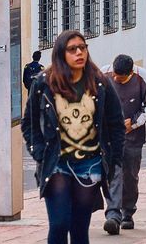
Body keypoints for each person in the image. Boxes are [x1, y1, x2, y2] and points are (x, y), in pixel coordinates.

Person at [21, 30, 125, 244]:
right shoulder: (44, 83)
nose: (79, 53)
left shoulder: (100, 83)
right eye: (72, 49)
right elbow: (29, 124)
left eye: (82, 47)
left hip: (90, 164)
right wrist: (39, 153)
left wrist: (113, 160)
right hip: (56, 163)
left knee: (79, 228)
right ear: (61, 53)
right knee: (59, 224)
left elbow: (116, 124)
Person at [100, 55, 146, 234]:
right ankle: (113, 214)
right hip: (110, 138)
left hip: (133, 137)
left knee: (130, 176)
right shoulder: (103, 75)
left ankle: (128, 212)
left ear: (130, 73)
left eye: (120, 78)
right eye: (114, 75)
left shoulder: (143, 78)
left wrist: (133, 122)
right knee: (112, 174)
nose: (115, 79)